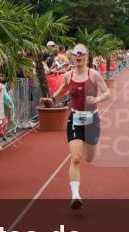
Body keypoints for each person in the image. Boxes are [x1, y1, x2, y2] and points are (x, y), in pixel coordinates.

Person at [46, 43, 110, 209]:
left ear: (86, 57)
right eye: (76, 53)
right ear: (72, 57)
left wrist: (96, 100)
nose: (79, 56)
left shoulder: (93, 74)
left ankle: (90, 148)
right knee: (75, 158)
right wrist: (52, 99)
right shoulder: (68, 75)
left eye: (82, 53)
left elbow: (107, 92)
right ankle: (75, 195)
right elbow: (62, 90)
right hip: (74, 118)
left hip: (92, 120)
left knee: (89, 158)